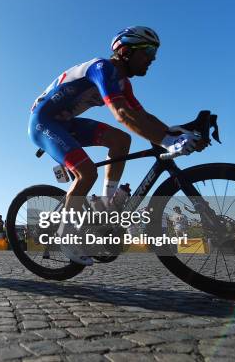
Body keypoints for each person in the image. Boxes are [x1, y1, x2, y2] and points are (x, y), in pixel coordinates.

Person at [29, 26, 206, 265]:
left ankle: (106, 204)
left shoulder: (123, 84)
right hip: (44, 123)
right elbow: (122, 114)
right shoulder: (102, 68)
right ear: (124, 51)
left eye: (154, 53)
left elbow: (143, 117)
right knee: (87, 173)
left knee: (122, 140)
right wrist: (168, 141)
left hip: (66, 122)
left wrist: (178, 133)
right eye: (148, 51)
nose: (152, 59)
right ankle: (66, 234)